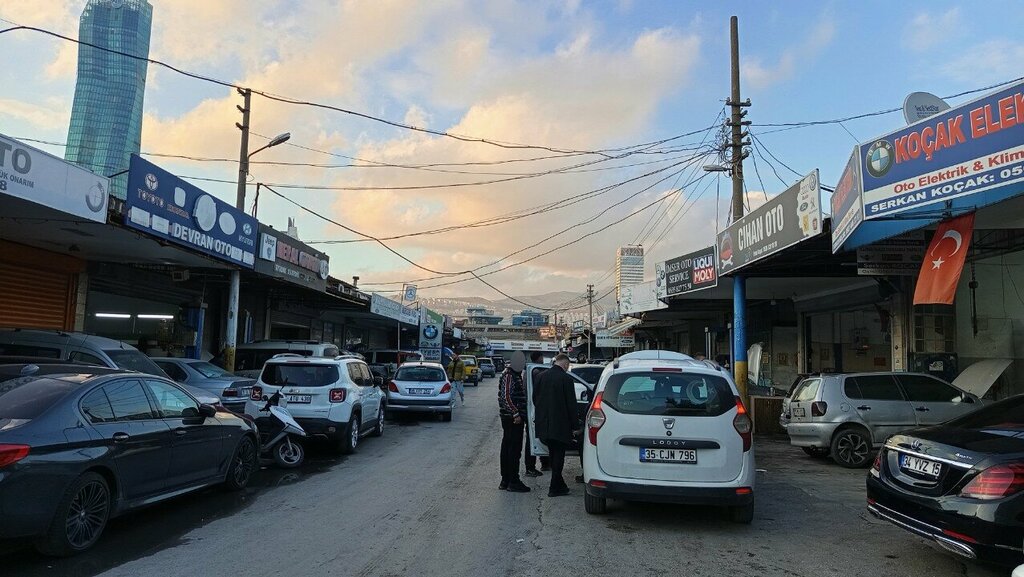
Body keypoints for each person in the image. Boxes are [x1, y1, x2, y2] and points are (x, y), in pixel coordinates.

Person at [533, 353, 577, 497]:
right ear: (565, 364)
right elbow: (572, 405)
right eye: (568, 366)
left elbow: (535, 399)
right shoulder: (566, 379)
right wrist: (575, 426)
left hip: (544, 424)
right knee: (559, 456)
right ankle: (554, 487)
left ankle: (559, 484)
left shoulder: (540, 377)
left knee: (553, 454)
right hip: (560, 425)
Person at [498, 352, 531, 493]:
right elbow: (506, 397)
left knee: (508, 448)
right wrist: (516, 413)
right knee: (513, 449)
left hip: (510, 418)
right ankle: (513, 480)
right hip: (512, 419)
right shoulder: (509, 375)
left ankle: (506, 480)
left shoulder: (513, 374)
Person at [524, 351, 550, 476]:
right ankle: (530, 467)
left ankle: (544, 462)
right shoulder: (536, 372)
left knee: (537, 436)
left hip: (532, 408)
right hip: (535, 409)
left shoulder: (530, 371)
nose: (543, 359)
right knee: (533, 438)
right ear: (539, 358)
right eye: (542, 357)